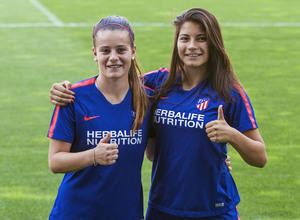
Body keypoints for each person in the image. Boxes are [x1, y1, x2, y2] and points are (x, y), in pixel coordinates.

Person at [48, 8, 259, 219]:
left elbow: (259, 157)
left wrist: (227, 140)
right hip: (162, 207)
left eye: (201, 38)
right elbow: (116, 83)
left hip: (214, 207)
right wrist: (64, 89)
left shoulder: (227, 91)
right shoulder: (159, 83)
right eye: (184, 38)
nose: (192, 46)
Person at [47, 15, 153, 220]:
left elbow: (155, 152)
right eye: (105, 50)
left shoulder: (148, 98)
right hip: (76, 213)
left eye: (121, 49)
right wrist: (94, 156)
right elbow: (55, 161)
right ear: (95, 54)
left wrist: (213, 157)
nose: (113, 57)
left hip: (127, 213)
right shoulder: (72, 97)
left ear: (133, 52)